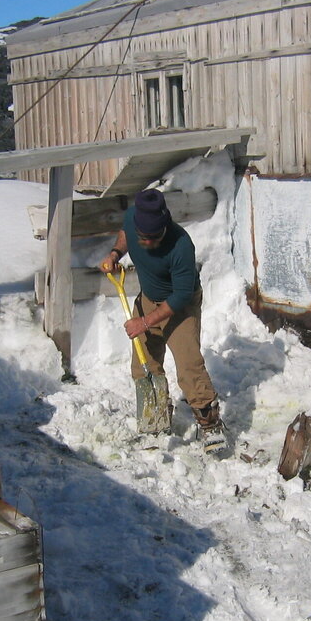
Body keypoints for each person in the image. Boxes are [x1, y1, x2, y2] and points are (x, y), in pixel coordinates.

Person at [99, 188, 224, 448]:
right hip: (148, 298)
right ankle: (156, 416)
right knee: (143, 362)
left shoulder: (181, 245)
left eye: (153, 238)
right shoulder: (134, 219)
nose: (146, 243)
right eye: (142, 237)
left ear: (165, 226)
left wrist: (144, 322)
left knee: (189, 365)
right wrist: (114, 253)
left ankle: (210, 424)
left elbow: (180, 296)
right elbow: (124, 232)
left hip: (181, 305)